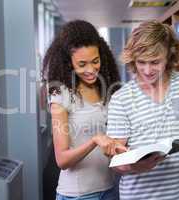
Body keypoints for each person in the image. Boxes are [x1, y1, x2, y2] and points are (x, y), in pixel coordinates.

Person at [106, 20, 179, 200]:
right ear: (133, 58)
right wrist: (134, 167)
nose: (147, 70)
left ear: (169, 55)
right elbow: (115, 160)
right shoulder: (121, 99)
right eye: (141, 62)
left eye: (155, 62)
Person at [42, 20, 126, 200]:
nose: (91, 70)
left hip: (111, 188)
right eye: (82, 64)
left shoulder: (106, 88)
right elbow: (62, 160)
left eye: (95, 61)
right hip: (77, 195)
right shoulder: (60, 94)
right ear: (69, 62)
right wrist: (94, 140)